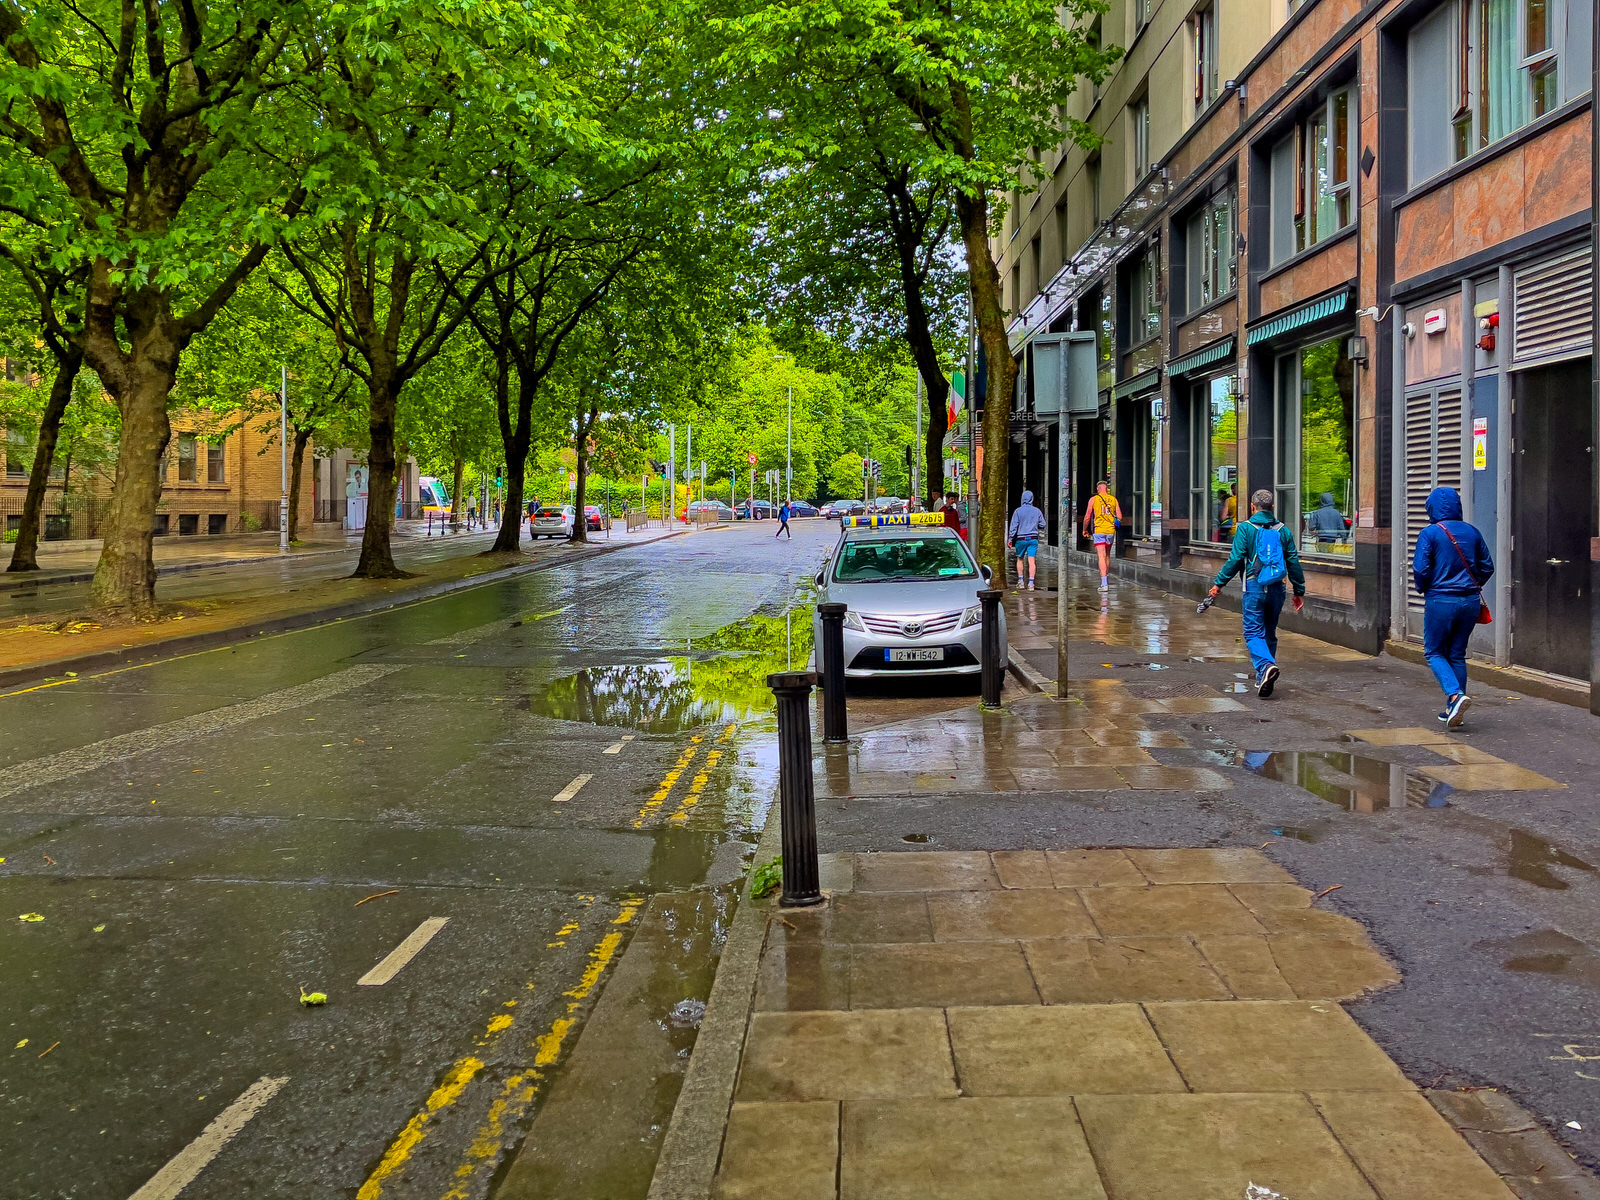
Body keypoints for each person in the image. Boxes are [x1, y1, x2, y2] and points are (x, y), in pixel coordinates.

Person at [1207, 489, 1305, 698]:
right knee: (1269, 632)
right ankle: (1263, 677)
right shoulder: (1283, 530)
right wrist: (1299, 590)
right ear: (1272, 507)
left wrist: (1218, 584)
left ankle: (1266, 665)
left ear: (1253, 506)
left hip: (1254, 587)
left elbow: (1235, 560)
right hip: (1277, 588)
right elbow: (1293, 561)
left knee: (1252, 632)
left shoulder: (1245, 528)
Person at [1412, 486, 1493, 728]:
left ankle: (1456, 696)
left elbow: (1420, 569)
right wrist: (1472, 584)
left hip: (1440, 600)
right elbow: (1487, 566)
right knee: (1457, 653)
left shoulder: (1430, 533)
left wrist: (1423, 587)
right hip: (1469, 601)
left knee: (1434, 652)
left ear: (1431, 507)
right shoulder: (1473, 532)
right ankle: (1453, 709)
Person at [1081, 480, 1122, 591]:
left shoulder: (1094, 499)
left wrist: (1084, 529)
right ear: (1106, 489)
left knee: (1101, 555)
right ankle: (1106, 578)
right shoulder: (1113, 499)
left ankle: (1104, 584)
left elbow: (1087, 517)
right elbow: (1119, 516)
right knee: (1107, 555)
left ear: (1098, 489)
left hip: (1099, 530)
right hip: (1110, 531)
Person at [1007, 489, 1047, 590]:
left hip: (1021, 539)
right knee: (1032, 561)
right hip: (1033, 539)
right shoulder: (1037, 511)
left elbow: (1013, 526)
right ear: (1032, 499)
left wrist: (1010, 538)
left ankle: (1020, 582)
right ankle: (1031, 583)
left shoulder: (1018, 511)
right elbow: (1043, 524)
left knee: (1020, 559)